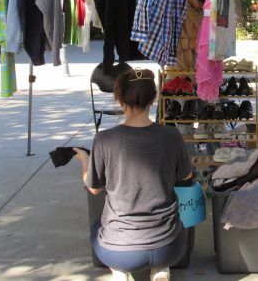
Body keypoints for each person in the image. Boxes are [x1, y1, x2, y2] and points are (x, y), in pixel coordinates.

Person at [74, 67, 192, 281]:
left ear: (120, 99)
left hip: (118, 250)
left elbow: (93, 188)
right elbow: (185, 177)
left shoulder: (104, 139)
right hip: (167, 247)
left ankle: (119, 271)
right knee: (179, 226)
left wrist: (84, 160)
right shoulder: (172, 136)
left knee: (96, 228)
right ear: (153, 99)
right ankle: (160, 268)